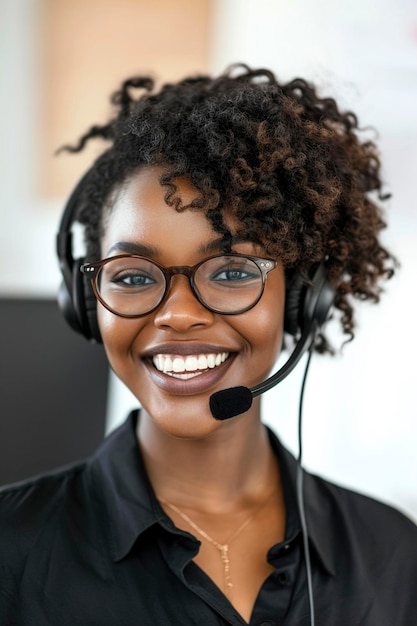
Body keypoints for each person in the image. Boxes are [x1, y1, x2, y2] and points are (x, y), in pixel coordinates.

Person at [0, 64, 416, 626]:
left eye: (231, 271)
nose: (177, 314)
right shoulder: (11, 553)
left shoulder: (393, 553)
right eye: (132, 276)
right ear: (85, 302)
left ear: (299, 297)